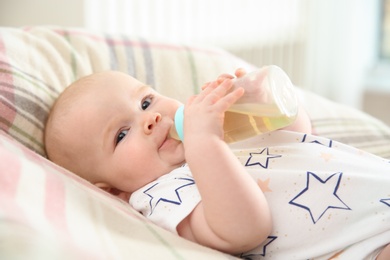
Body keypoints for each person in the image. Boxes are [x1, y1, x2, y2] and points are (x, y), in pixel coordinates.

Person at [45, 70, 390, 259]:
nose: (150, 119)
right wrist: (204, 142)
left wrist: (265, 105)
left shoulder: (218, 133)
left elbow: (298, 137)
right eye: (121, 135)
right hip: (367, 245)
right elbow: (244, 228)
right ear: (114, 190)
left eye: (146, 101)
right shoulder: (160, 197)